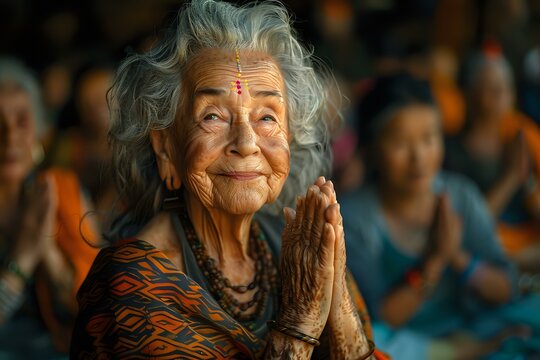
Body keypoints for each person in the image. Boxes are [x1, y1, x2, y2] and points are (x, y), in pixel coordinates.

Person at [70, 1, 388, 359]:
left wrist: (337, 296)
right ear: (165, 149)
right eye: (214, 116)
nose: (247, 143)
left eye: (267, 117)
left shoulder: (303, 248)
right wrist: (300, 322)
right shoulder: (131, 285)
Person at [341, 73, 539, 359]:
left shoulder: (460, 196)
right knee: (366, 341)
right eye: (400, 143)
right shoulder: (355, 217)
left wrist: (458, 257)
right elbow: (377, 318)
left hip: (469, 327)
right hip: (407, 345)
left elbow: (505, 288)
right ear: (371, 149)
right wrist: (433, 262)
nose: (419, 157)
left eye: (429, 138)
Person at [0, 58, 100, 358]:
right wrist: (23, 258)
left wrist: (46, 247)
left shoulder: (61, 190)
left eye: (22, 121)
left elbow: (94, 307)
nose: (10, 137)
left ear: (40, 130)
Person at [445, 50, 540, 274]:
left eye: (506, 88)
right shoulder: (452, 151)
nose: (501, 95)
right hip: (483, 251)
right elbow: (466, 229)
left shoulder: (522, 136)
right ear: (468, 94)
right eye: (490, 88)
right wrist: (511, 178)